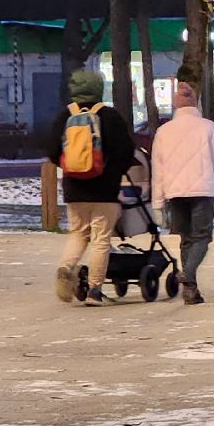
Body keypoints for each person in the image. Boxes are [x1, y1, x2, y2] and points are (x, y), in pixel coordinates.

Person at [46, 70, 136, 306]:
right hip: (105, 190)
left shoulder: (65, 116)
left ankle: (66, 267)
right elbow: (126, 152)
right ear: (99, 89)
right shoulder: (110, 116)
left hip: (75, 189)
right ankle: (95, 290)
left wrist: (71, 169)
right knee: (100, 239)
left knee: (78, 233)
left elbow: (52, 150)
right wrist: (113, 172)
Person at [152, 78, 214, 304]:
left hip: (175, 193)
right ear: (196, 103)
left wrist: (157, 203)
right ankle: (188, 273)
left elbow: (158, 169)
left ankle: (190, 290)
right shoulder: (209, 128)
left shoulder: (163, 131)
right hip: (203, 191)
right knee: (202, 237)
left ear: (176, 105)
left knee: (186, 238)